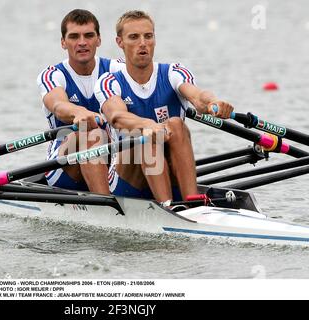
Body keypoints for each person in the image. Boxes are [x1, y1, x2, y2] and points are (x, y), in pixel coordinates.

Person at [95, 10, 233, 205]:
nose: (143, 43)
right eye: (134, 37)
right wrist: (148, 125)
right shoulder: (109, 81)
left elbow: (198, 96)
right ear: (120, 42)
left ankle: (193, 203)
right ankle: (167, 207)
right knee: (144, 135)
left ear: (154, 39)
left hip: (169, 170)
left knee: (176, 124)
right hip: (128, 181)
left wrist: (213, 103)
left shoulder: (173, 73)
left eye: (148, 36)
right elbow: (117, 116)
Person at [37, 9, 124, 194]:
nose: (82, 42)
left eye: (89, 35)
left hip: (111, 155)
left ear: (98, 40)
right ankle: (105, 208)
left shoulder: (116, 68)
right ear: (63, 42)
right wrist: (79, 113)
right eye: (74, 36)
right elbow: (59, 106)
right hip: (63, 166)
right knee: (92, 135)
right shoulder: (53, 75)